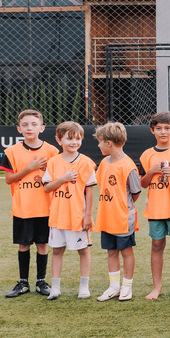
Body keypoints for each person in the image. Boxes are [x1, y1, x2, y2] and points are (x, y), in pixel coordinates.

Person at [0, 109, 59, 298]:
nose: (29, 128)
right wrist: (30, 168)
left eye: (34, 124)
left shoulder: (52, 151)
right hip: (23, 208)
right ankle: (23, 283)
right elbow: (9, 179)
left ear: (42, 128)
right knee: (23, 245)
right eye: (25, 125)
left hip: (45, 207)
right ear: (19, 129)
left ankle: (41, 282)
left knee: (42, 245)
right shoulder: (11, 152)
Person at [41, 121, 96, 300]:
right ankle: (55, 287)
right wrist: (63, 178)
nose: (74, 142)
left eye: (78, 138)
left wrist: (88, 216)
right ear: (59, 140)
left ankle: (84, 286)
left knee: (83, 250)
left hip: (78, 216)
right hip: (58, 215)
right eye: (70, 138)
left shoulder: (86, 163)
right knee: (57, 250)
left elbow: (89, 190)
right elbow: (47, 188)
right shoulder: (53, 162)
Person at [138, 112, 170, 301]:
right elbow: (142, 183)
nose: (163, 132)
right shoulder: (147, 154)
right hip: (156, 208)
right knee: (156, 244)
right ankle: (156, 286)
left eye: (167, 128)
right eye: (159, 128)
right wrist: (150, 172)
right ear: (152, 130)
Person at [94, 122, 142, 302]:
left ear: (109, 143)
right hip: (107, 216)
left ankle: (126, 287)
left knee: (126, 251)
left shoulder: (128, 165)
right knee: (111, 251)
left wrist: (122, 206)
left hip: (123, 218)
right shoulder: (103, 163)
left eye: (100, 142)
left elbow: (135, 193)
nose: (98, 146)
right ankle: (114, 287)